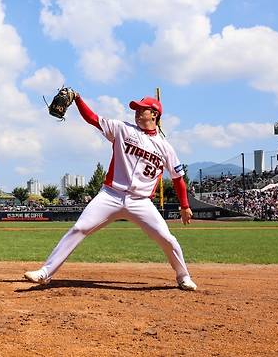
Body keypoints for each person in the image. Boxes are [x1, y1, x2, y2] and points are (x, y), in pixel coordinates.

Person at [25, 92, 197, 291]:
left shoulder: (166, 148)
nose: (137, 111)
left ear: (155, 115)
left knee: (167, 239)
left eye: (142, 109)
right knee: (79, 229)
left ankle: (183, 276)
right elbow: (93, 119)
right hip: (111, 195)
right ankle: (45, 272)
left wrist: (185, 206)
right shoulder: (122, 128)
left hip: (141, 202)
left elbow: (178, 179)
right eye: (136, 108)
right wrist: (79, 99)